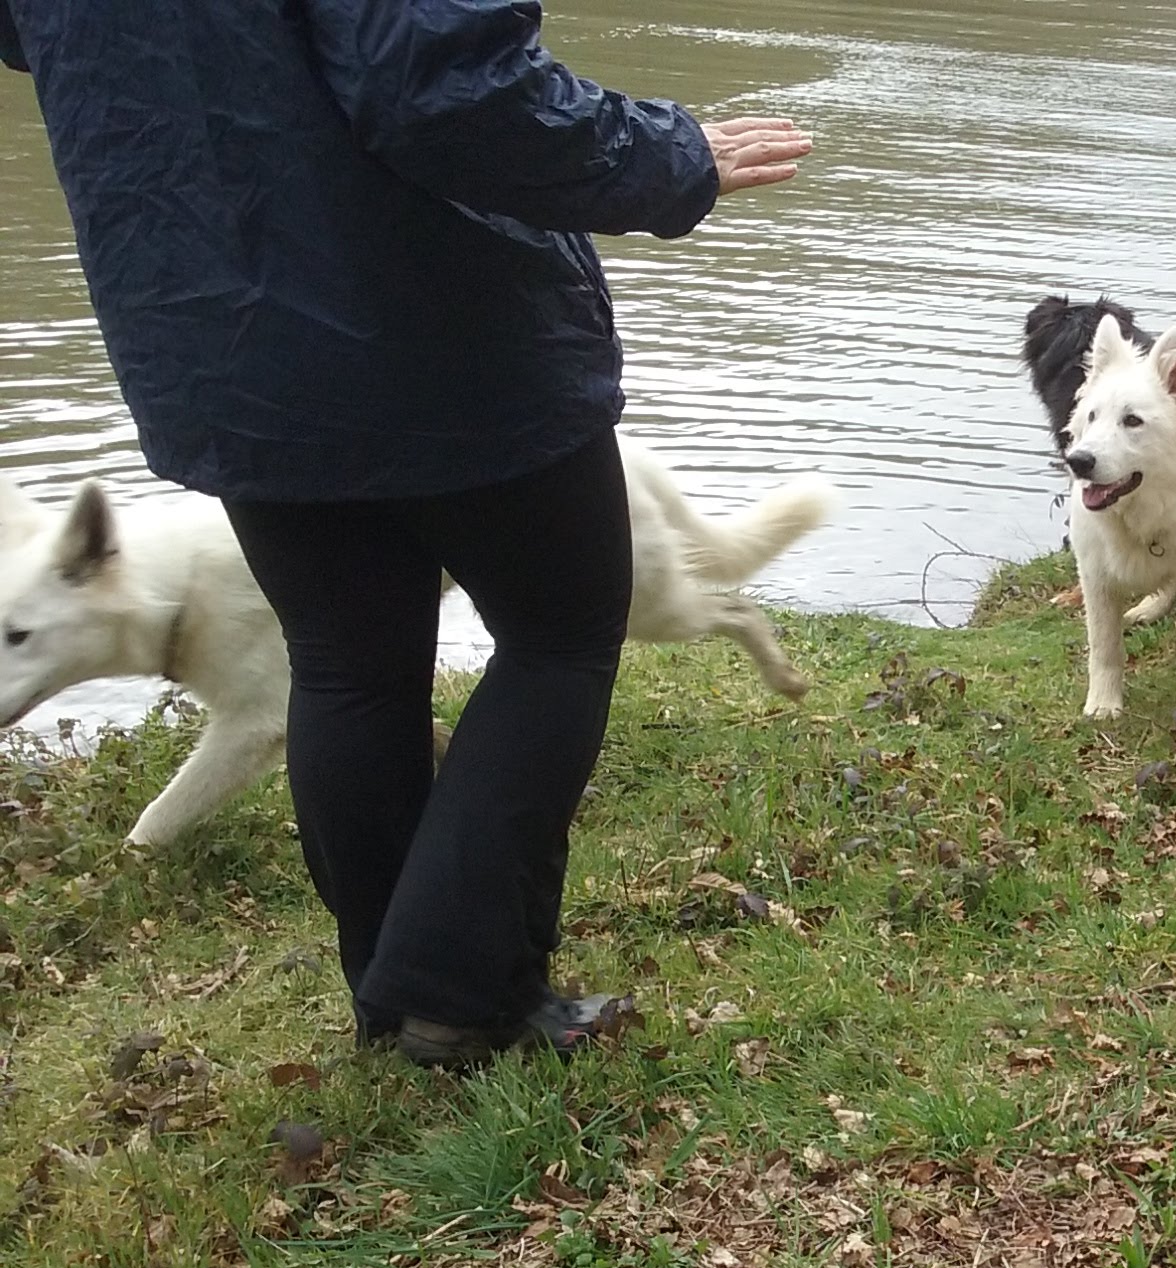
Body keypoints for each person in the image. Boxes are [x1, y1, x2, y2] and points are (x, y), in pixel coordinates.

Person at [1, 1, 812, 1066]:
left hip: (211, 331)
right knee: (560, 634)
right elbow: (444, 89)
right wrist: (664, 154)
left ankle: (390, 1004)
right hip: (442, 325)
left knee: (346, 667)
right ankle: (459, 1000)